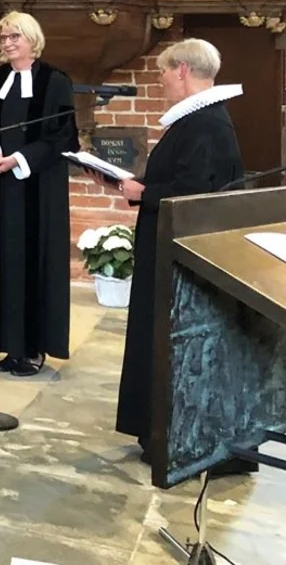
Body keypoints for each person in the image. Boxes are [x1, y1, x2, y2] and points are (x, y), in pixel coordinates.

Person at [102, 39, 243, 459]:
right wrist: (139, 191)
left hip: (179, 254)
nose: (160, 79)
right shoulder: (196, 120)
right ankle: (155, 430)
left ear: (182, 69)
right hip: (164, 244)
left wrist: (142, 193)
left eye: (164, 71)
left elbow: (195, 193)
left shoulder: (207, 123)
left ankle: (171, 435)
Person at [0, 11, 77, 377]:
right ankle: (6, 344)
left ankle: (32, 347)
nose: (8, 43)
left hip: (37, 191)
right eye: (4, 37)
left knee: (32, 263)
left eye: (15, 36)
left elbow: (62, 136)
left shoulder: (55, 81)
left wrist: (19, 159)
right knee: (2, 264)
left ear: (32, 38)